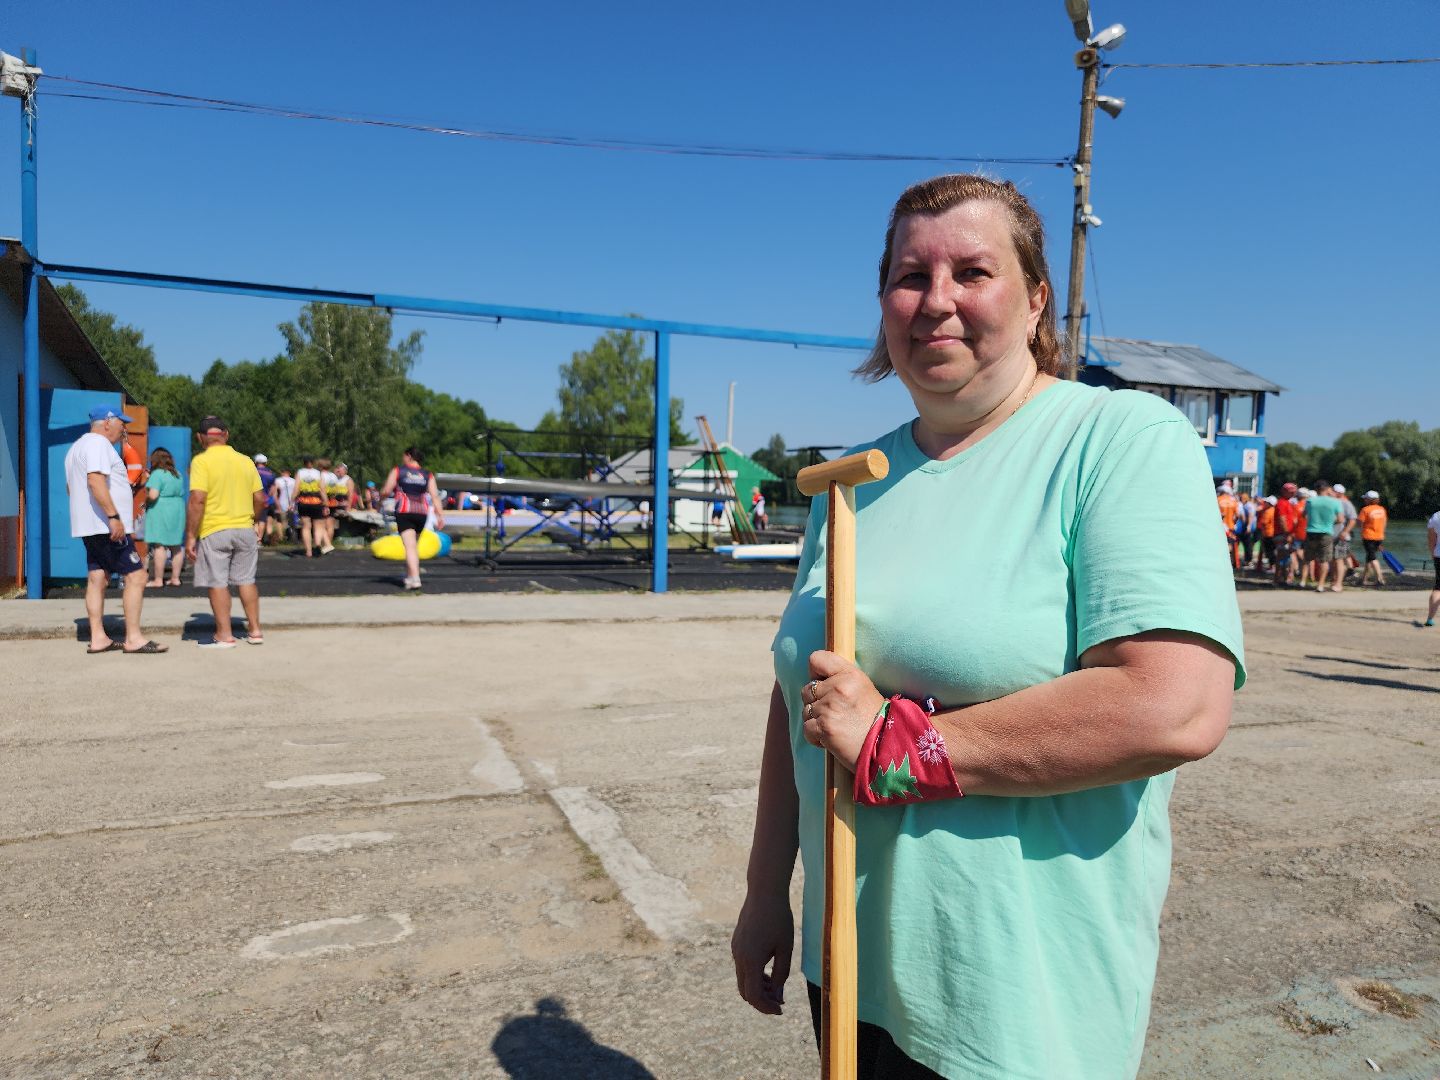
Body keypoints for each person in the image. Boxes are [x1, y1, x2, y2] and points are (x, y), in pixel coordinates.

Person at [731, 174, 1243, 1080]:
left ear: (1036, 295)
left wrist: (898, 747)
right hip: (850, 970)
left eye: (973, 271)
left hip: (1007, 1002)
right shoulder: (852, 482)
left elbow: (1173, 706)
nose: (936, 302)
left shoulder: (1117, 440)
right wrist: (768, 891)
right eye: (908, 275)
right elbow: (802, 702)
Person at [63, 405, 166, 653]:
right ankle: (133, 639)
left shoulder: (75, 449)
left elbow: (71, 489)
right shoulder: (99, 445)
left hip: (90, 526)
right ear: (107, 422)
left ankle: (98, 638)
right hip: (106, 526)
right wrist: (113, 516)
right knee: (137, 575)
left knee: (97, 578)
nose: (124, 428)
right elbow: (95, 480)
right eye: (122, 422)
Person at [185, 416, 265, 647]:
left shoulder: (201, 461)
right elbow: (259, 497)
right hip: (244, 528)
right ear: (226, 435)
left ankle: (224, 634)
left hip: (215, 528)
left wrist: (191, 535)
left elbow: (197, 499)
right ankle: (255, 631)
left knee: (217, 582)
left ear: (200, 438)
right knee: (246, 580)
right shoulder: (245, 461)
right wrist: (253, 519)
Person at [380, 447, 445, 591]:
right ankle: (410, 576)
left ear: (409, 456)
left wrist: (380, 499)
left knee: (409, 546)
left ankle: (415, 578)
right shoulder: (428, 475)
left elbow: (387, 490)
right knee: (413, 546)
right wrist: (440, 515)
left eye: (404, 456)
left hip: (405, 510)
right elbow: (435, 496)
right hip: (421, 512)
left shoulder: (398, 471)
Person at [144, 447, 187, 587]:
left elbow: (153, 495)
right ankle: (175, 578)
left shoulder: (157, 474)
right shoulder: (177, 474)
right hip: (177, 508)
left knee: (159, 545)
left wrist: (145, 499)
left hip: (161, 510)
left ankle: (157, 580)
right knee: (176, 545)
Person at [1301, 482, 1343, 592]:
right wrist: (1329, 522)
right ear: (1328, 489)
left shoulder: (1310, 501)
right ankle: (1320, 585)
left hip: (1311, 531)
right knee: (1324, 560)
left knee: (1307, 559)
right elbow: (1340, 519)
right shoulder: (1336, 502)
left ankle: (1302, 581)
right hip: (1326, 532)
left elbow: (1303, 515)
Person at [294, 456, 328, 557]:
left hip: (303, 502)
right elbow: (322, 489)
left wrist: (291, 501)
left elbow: (296, 489)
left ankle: (308, 551)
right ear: (313, 463)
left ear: (303, 462)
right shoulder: (318, 473)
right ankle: (317, 545)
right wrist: (326, 503)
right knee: (318, 526)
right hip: (316, 502)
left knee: (306, 526)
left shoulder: (299, 472)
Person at [1357, 490, 1389, 586]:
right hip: (1379, 536)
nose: (1364, 500)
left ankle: (1380, 578)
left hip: (1368, 536)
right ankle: (1363, 579)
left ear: (1368, 500)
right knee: (1369, 558)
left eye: (1365, 499)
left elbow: (1359, 523)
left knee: (1372, 557)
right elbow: (1384, 523)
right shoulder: (1382, 509)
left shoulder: (1365, 510)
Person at [1329, 483, 1357, 592]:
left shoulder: (1346, 503)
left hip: (1341, 536)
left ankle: (1339, 583)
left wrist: (1345, 532)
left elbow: (1352, 519)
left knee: (1339, 560)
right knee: (1332, 560)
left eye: (1334, 492)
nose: (1332, 493)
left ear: (1339, 493)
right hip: (1330, 535)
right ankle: (1334, 580)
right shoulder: (1331, 503)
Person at [253, 454, 277, 544]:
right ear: (265, 463)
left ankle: (254, 538)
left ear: (255, 462)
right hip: (265, 500)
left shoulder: (252, 471)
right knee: (262, 520)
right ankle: (259, 539)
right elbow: (273, 489)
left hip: (253, 499)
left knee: (254, 520)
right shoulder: (270, 474)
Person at [271, 465, 297, 544]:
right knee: (291, 521)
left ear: (282, 472)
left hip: (281, 503)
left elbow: (274, 494)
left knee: (279, 521)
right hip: (292, 504)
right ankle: (292, 537)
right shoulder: (294, 481)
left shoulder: (277, 480)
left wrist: (276, 504)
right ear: (289, 473)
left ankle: (281, 537)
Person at [1424, 508, 1440, 628]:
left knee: (1438, 588)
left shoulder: (1436, 517)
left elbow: (1431, 539)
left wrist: (1432, 553)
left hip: (1439, 555)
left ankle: (1430, 618)